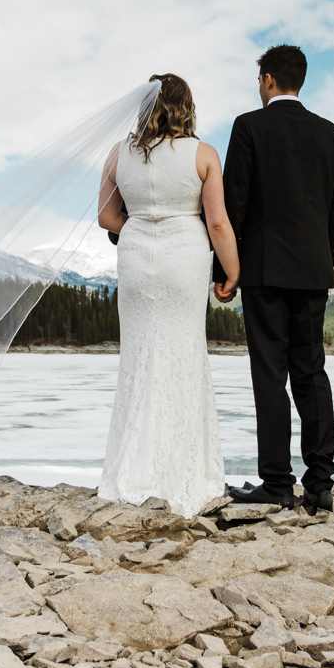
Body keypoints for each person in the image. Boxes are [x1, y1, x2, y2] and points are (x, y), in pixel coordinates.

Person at [95, 73, 240, 515]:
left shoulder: (120, 154)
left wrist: (140, 229)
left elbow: (106, 216)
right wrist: (232, 272)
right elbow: (217, 223)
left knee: (139, 358)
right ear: (186, 106)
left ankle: (130, 472)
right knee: (183, 355)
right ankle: (185, 475)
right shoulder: (204, 155)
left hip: (138, 263)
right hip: (184, 262)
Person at [216, 45, 334, 514]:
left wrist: (225, 271)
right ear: (301, 81)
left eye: (259, 79)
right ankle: (320, 483)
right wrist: (319, 260)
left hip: (265, 273)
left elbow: (235, 204)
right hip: (312, 274)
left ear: (268, 80)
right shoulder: (331, 134)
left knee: (270, 376)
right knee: (311, 372)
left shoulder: (249, 127)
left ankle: (276, 482)